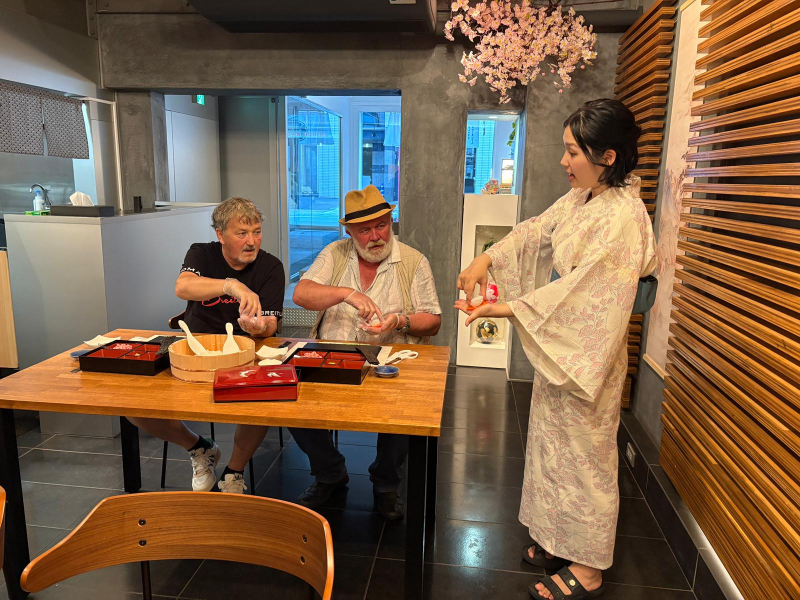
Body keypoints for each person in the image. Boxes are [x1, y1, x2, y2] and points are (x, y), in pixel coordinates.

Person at [456, 99, 657, 600]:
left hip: (588, 351)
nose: (564, 162)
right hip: (565, 349)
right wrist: (486, 259)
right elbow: (536, 231)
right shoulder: (586, 196)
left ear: (607, 156)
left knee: (586, 459)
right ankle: (558, 539)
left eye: (573, 152)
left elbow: (586, 293)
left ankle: (588, 568)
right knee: (553, 448)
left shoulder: (622, 217)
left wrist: (509, 308)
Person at [289, 184, 441, 519]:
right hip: (333, 356)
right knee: (291, 401)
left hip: (391, 363)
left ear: (391, 222)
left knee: (405, 410)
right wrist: (347, 293)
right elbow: (301, 294)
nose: (375, 236)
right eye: (364, 230)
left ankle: (386, 483)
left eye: (381, 225)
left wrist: (399, 321)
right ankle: (330, 472)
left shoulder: (413, 261)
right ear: (350, 233)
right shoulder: (335, 253)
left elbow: (432, 321)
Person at [128, 197, 285, 495]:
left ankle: (234, 472)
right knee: (133, 405)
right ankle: (199, 448)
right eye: (242, 233)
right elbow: (183, 286)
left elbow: (270, 325)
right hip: (192, 351)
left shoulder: (270, 267)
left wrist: (258, 327)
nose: (251, 241)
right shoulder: (202, 253)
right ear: (220, 234)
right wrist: (232, 285)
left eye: (257, 232)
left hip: (245, 354)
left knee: (264, 399)